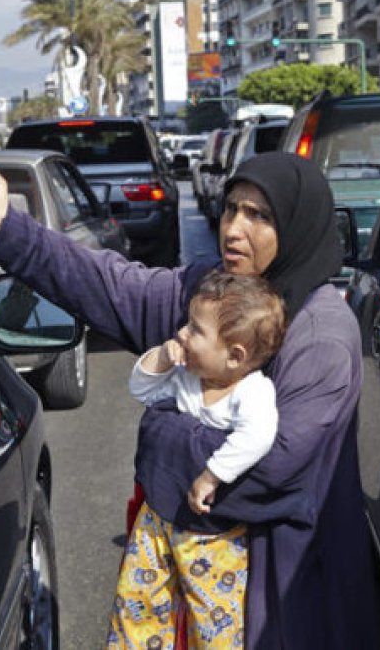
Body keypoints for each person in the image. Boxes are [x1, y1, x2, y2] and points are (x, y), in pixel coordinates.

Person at [0, 152, 374, 648]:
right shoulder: (216, 293)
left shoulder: (320, 335)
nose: (233, 229)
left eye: (259, 216)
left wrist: (163, 436)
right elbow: (116, 287)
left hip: (287, 586)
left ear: (297, 226)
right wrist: (9, 227)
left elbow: (276, 467)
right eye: (231, 209)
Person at [113, 271, 285, 647]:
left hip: (213, 539)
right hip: (157, 519)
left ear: (234, 355)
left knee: (215, 621)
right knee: (138, 603)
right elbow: (140, 388)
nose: (182, 334)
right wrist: (160, 357)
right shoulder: (186, 376)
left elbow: (257, 436)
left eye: (195, 329)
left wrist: (211, 475)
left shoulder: (252, 392)